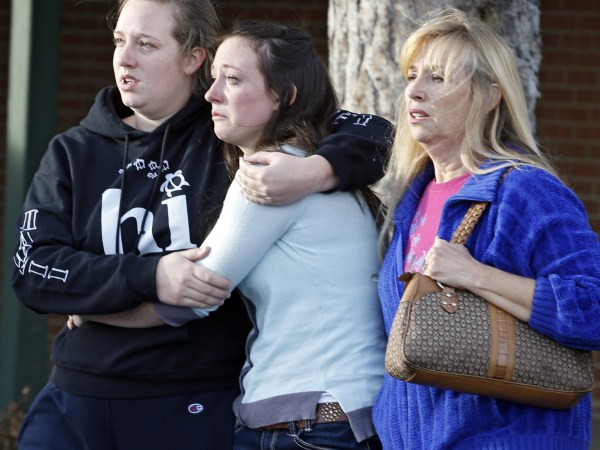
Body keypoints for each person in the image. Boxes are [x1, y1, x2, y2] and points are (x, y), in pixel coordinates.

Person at [10, 1, 392, 449]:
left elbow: (376, 132)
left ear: (193, 57)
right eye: (119, 41)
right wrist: (149, 275)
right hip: (76, 392)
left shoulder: (232, 135)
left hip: (193, 397)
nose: (124, 58)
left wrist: (315, 170)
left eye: (146, 44)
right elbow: (32, 270)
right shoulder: (72, 152)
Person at [373, 7, 600, 450]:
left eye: (437, 78)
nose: (414, 91)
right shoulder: (410, 200)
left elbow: (593, 308)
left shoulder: (525, 192)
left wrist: (477, 276)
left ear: (488, 95)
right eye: (412, 76)